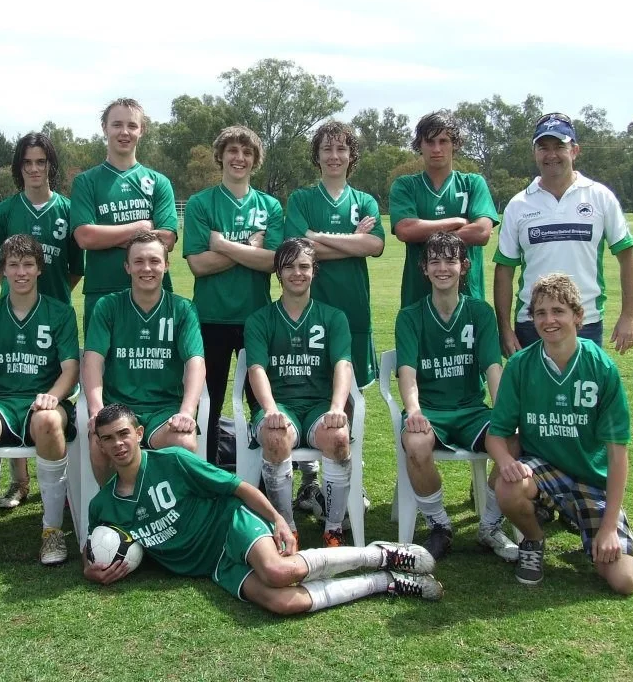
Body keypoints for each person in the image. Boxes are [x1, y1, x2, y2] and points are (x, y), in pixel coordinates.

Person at [84, 403, 443, 612]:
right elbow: (95, 550)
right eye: (108, 438)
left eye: (123, 434)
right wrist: (91, 572)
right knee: (285, 604)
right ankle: (385, 580)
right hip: (213, 566)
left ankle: (377, 554)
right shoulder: (104, 507)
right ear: (99, 445)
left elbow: (238, 487)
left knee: (278, 572)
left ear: (139, 432)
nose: (118, 444)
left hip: (228, 524)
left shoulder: (173, 460)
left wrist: (278, 520)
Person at [485, 273, 633, 594]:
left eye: (558, 311)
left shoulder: (601, 368)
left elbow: (617, 453)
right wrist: (505, 462)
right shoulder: (520, 365)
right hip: (542, 470)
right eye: (540, 313)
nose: (549, 320)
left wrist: (609, 527)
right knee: (508, 484)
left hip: (591, 479)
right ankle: (533, 540)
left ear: (578, 316)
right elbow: (496, 434)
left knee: (624, 581)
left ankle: (597, 530)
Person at [0, 235, 81, 567]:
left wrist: (52, 396)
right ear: (2, 271)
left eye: (27, 265)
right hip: (2, 405)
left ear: (39, 269)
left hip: (45, 403)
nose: (21, 272)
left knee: (49, 420)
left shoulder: (61, 313)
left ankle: (51, 529)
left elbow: (70, 370)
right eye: (13, 265)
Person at [393, 232, 518, 562]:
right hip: (431, 411)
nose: (443, 268)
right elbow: (407, 371)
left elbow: (493, 367)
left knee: (514, 439)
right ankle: (439, 525)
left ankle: (490, 525)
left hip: (471, 410)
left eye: (450, 261)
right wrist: (414, 409)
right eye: (435, 261)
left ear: (464, 266)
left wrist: (505, 414)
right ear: (424, 269)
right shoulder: (410, 315)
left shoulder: (480, 312)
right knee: (417, 443)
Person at [284, 121, 385, 512]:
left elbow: (375, 245)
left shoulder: (365, 200)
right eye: (326, 149)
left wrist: (320, 238)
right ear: (317, 155)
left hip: (354, 311)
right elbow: (297, 251)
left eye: (341, 150)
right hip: (308, 313)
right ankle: (310, 484)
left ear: (351, 156)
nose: (334, 156)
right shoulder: (302, 199)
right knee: (310, 390)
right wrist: (351, 243)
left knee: (350, 398)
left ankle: (347, 480)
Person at [0, 132, 84, 509]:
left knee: (50, 395)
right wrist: (21, 293)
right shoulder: (4, 212)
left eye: (40, 162)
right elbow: (1, 269)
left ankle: (54, 485)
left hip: (55, 313)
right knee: (12, 386)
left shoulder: (68, 210)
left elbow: (75, 269)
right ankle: (19, 481)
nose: (33, 169)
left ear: (50, 166)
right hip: (13, 315)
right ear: (19, 167)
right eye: (26, 162)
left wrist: (52, 296)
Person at [493, 112, 633, 358]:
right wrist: (505, 329)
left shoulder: (600, 197)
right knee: (534, 396)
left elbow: (626, 255)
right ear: (534, 152)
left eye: (559, 146)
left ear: (574, 150)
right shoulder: (519, 204)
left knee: (584, 395)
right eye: (543, 147)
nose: (551, 155)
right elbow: (504, 271)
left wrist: (628, 316)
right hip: (532, 323)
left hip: (586, 321)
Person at [243, 238, 354, 547]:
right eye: (289, 266)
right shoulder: (260, 319)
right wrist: (269, 409)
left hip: (319, 406)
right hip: (282, 406)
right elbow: (256, 370)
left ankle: (333, 527)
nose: (297, 273)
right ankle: (286, 526)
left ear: (314, 271)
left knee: (339, 437)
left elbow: (342, 365)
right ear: (278, 272)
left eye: (304, 266)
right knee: (276, 437)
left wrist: (336, 407)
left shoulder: (333, 317)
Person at [183, 125, 282, 466]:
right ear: (221, 156)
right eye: (233, 151)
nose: (239, 158)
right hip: (210, 318)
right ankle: (205, 478)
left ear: (255, 161)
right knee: (207, 403)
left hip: (256, 318)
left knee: (261, 403)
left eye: (247, 153)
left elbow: (272, 262)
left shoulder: (270, 206)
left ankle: (263, 480)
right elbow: (198, 263)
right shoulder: (200, 203)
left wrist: (223, 245)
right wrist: (249, 247)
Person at [82, 232, 205, 484]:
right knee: (100, 443)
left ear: (166, 265)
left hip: (164, 410)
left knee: (183, 441)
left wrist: (187, 412)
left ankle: (169, 516)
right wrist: (96, 411)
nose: (146, 268)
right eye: (138, 261)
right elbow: (92, 360)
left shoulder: (182, 309)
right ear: (127, 267)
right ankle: (112, 511)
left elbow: (195, 362)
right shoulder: (108, 306)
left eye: (154, 261)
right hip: (119, 409)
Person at [71, 97, 178, 334]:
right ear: (105, 128)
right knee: (100, 366)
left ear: (142, 130)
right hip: (102, 291)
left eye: (132, 125)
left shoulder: (159, 182)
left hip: (154, 294)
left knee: (154, 365)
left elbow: (167, 239)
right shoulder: (86, 182)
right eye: (117, 124)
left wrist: (108, 237)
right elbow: (86, 237)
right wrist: (141, 227)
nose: (124, 132)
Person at [389, 111, 499, 308]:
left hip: (468, 297)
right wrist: (457, 221)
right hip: (418, 299)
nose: (437, 148)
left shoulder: (472, 183)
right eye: (430, 141)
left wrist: (423, 233)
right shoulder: (406, 185)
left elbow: (481, 232)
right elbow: (405, 230)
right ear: (419, 145)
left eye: (444, 141)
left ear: (455, 144)